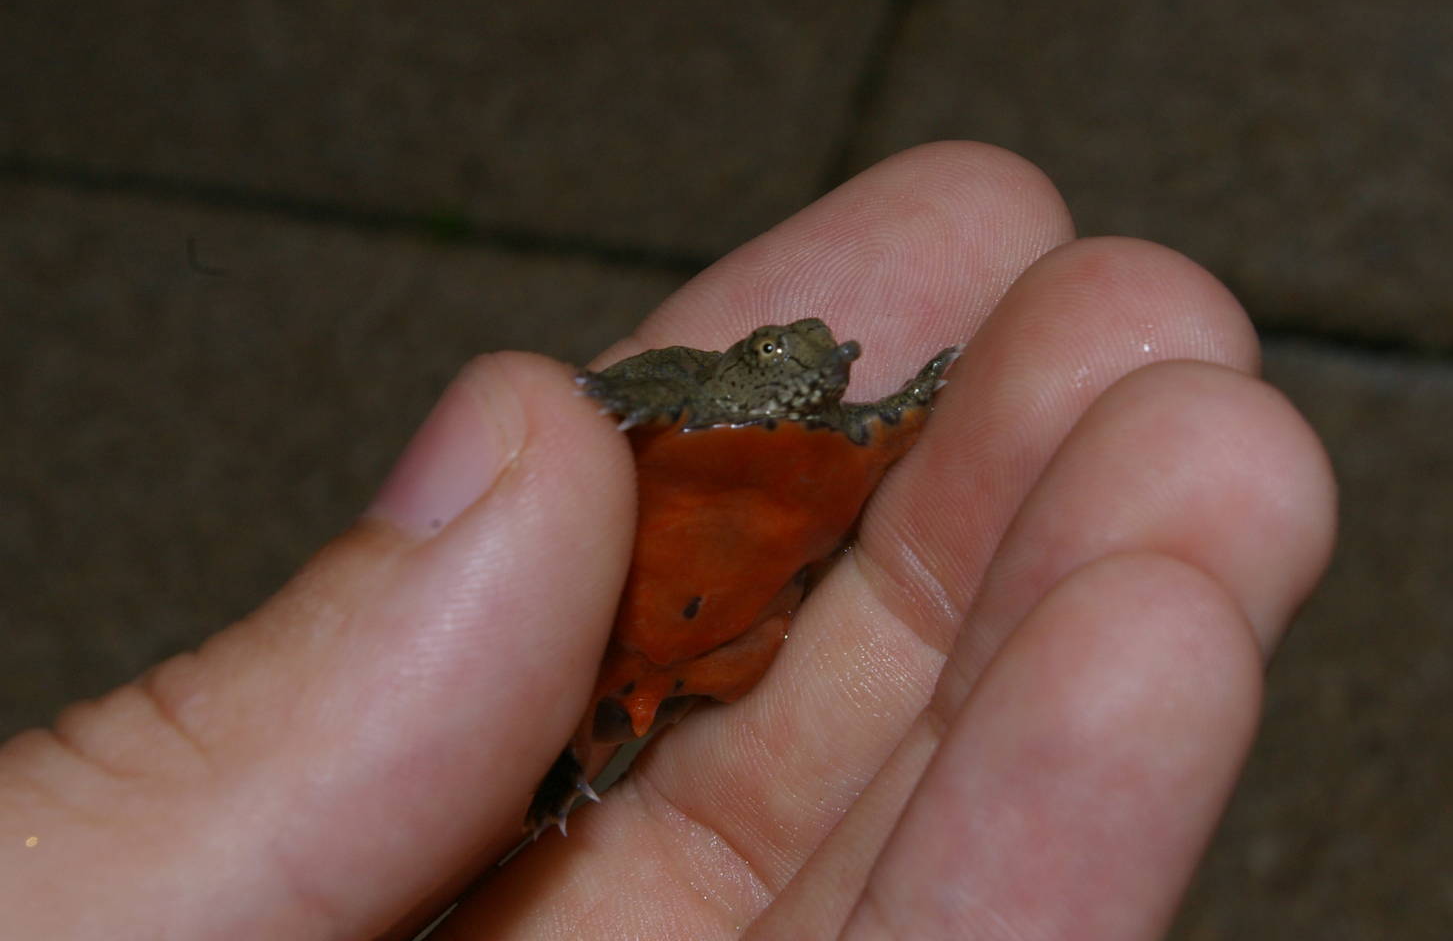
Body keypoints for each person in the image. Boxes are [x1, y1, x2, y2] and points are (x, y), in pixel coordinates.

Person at [0, 143, 1335, 939]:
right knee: (550, 760)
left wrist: (932, 391)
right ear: (748, 369)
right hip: (625, 646)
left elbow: (897, 425)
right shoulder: (683, 412)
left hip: (708, 654)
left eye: (829, 363)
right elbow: (611, 423)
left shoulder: (845, 439)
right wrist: (617, 409)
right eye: (793, 355)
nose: (822, 363)